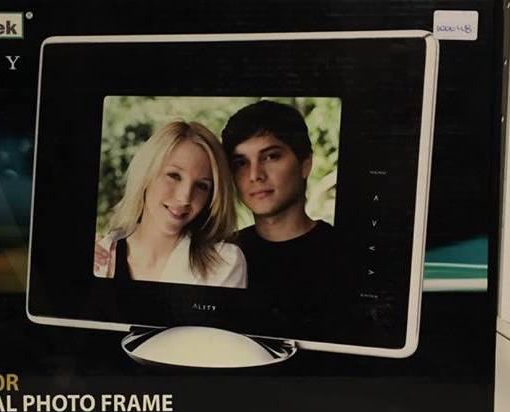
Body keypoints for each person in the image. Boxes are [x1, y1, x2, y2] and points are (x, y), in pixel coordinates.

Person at [221, 100, 356, 337]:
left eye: (271, 157)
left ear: (305, 164)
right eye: (241, 163)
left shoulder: (348, 255)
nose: (255, 175)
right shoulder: (223, 256)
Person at [94, 121, 247, 289]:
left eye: (201, 186)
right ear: (146, 174)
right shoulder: (100, 257)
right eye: (174, 176)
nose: (185, 198)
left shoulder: (224, 263)